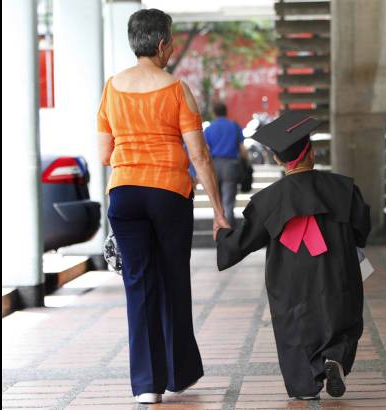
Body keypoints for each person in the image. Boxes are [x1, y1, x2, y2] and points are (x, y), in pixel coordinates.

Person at [96, 8, 230, 405]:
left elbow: (105, 154)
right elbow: (200, 155)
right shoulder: (176, 90)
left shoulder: (111, 88)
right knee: (173, 280)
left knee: (138, 284)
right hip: (168, 193)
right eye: (170, 41)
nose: (171, 47)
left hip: (124, 194)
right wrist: (220, 211)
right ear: (161, 45)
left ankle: (146, 386)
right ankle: (178, 373)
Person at [215, 111, 371, 400]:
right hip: (337, 270)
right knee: (344, 316)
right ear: (311, 152)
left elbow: (242, 242)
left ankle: (305, 386)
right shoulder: (343, 188)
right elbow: (362, 225)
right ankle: (334, 355)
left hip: (290, 278)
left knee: (293, 323)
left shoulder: (268, 201)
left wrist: (223, 234)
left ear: (277, 159)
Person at [203, 102, 249, 227]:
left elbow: (205, 150)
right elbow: (242, 149)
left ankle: (218, 229)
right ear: (226, 111)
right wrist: (247, 163)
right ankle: (229, 231)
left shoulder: (209, 128)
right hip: (231, 165)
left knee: (217, 202)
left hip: (214, 166)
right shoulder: (234, 126)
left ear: (214, 113)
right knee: (228, 202)